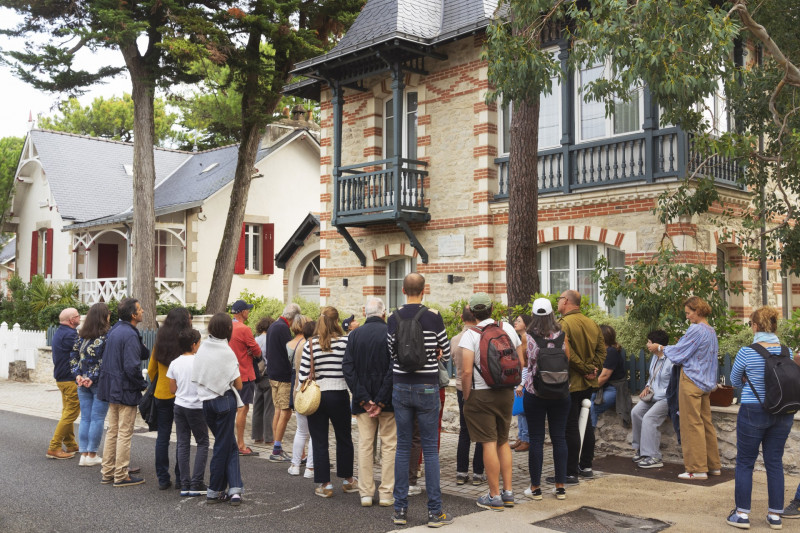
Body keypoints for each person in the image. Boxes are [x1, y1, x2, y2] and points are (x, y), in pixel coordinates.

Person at [388, 272, 454, 527]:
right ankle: (435, 513)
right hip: (427, 387)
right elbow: (446, 353)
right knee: (430, 449)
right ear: (423, 291)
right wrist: (434, 354)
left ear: (403, 291)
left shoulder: (393, 318)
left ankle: (400, 510)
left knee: (403, 447)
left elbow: (390, 352)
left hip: (401, 387)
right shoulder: (433, 317)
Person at [726, 307, 793, 530]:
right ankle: (775, 516)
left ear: (755, 326)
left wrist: (748, 378)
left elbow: (735, 380)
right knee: (774, 463)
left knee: (745, 462)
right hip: (783, 412)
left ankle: (742, 515)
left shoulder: (747, 352)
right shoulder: (787, 351)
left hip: (753, 411)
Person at [459, 292, 523, 511]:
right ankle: (509, 492)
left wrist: (467, 396)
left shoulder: (470, 335)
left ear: (472, 312)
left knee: (488, 442)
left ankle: (494, 496)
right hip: (506, 393)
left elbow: (466, 371)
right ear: (491, 309)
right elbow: (520, 361)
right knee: (503, 441)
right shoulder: (508, 328)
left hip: (481, 394)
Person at [647, 295, 721, 481]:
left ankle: (697, 469)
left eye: (688, 313)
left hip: (692, 381)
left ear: (697, 311)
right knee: (706, 424)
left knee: (691, 425)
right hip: (706, 382)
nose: (687, 317)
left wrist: (660, 347)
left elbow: (679, 354)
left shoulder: (696, 330)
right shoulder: (710, 331)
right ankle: (713, 466)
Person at [299, 306, 358, 498]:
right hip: (339, 393)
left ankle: (325, 484)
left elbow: (302, 376)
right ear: (337, 321)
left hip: (317, 397)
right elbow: (351, 368)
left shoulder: (310, 344)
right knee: (344, 438)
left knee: (319, 440)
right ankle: (348, 480)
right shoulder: (346, 342)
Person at [343, 297, 395, 507]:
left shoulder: (354, 335)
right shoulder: (391, 334)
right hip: (388, 401)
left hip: (363, 401)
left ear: (365, 313)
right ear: (384, 313)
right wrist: (380, 400)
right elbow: (394, 369)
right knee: (389, 445)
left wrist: (364, 399)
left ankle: (365, 492)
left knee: (365, 445)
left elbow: (348, 368)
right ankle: (385, 493)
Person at [553, 290, 605, 484]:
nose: (558, 302)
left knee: (570, 426)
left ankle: (570, 471)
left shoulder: (563, 324)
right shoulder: (591, 322)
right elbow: (602, 349)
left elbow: (567, 352)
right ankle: (586, 465)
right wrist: (594, 368)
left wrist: (584, 369)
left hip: (572, 381)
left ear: (566, 301)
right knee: (586, 424)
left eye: (559, 299)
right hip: (588, 381)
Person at [193, 313, 244, 505]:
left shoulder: (203, 348)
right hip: (224, 401)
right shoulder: (227, 351)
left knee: (228, 444)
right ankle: (214, 490)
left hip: (206, 403)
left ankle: (235, 489)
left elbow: (197, 375)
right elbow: (238, 384)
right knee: (224, 446)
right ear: (228, 330)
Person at [97, 298, 149, 487]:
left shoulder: (115, 330)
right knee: (124, 432)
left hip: (111, 387)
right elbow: (131, 367)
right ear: (133, 315)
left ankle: (108, 471)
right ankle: (121, 474)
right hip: (125, 388)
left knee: (113, 431)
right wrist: (141, 384)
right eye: (140, 309)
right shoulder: (128, 334)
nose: (143, 311)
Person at [523, 298, 571, 501]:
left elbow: (524, 363)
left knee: (536, 439)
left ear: (533, 315)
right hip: (560, 392)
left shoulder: (528, 337)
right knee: (559, 438)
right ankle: (560, 486)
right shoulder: (562, 335)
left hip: (536, 392)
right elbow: (567, 360)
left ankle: (535, 488)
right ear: (552, 313)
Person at [148, 307, 192, 489]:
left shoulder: (160, 341)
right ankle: (181, 477)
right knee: (183, 437)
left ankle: (163, 478)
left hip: (162, 393)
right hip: (183, 394)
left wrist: (159, 383)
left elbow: (151, 370)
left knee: (163, 437)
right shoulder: (187, 342)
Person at [167, 328, 209, 497]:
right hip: (197, 407)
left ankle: (184, 483)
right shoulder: (200, 362)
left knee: (183, 443)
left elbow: (172, 389)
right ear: (193, 345)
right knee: (203, 442)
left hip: (180, 405)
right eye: (199, 342)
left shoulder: (174, 363)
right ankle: (197, 482)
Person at [70, 303, 111, 467]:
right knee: (97, 419)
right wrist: (92, 377)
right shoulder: (107, 336)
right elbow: (105, 361)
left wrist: (78, 375)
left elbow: (73, 357)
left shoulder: (81, 335)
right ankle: (92, 454)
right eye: (108, 314)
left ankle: (84, 454)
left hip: (82, 382)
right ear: (104, 317)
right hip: (98, 383)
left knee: (86, 418)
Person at [452, 306, 485, 486]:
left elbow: (455, 362)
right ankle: (478, 473)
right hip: (479, 388)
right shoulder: (481, 338)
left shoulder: (455, 339)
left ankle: (461, 472)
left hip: (459, 387)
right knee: (481, 431)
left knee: (464, 430)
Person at [631, 330, 673, 469]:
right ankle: (640, 449)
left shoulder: (671, 360)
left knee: (649, 418)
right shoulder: (654, 357)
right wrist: (647, 386)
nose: (647, 344)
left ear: (657, 344)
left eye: (649, 342)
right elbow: (652, 377)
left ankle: (654, 456)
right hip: (653, 395)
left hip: (666, 399)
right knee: (636, 412)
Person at [266, 302, 302, 462]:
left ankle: (277, 445)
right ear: (294, 317)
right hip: (283, 377)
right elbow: (291, 352)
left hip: (273, 374)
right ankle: (276, 449)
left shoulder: (274, 325)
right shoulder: (282, 328)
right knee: (285, 412)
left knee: (279, 411)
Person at [46, 307, 82, 460]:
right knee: (71, 413)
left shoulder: (60, 332)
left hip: (62, 378)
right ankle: (54, 447)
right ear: (71, 320)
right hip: (69, 379)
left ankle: (71, 444)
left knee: (67, 411)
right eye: (77, 316)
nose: (80, 317)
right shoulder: (70, 335)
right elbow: (83, 351)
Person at [229, 299, 262, 457]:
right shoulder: (244, 329)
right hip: (244, 374)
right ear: (242, 312)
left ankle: (230, 442)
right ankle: (240, 444)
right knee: (243, 408)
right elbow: (257, 351)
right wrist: (252, 351)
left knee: (231, 409)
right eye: (247, 310)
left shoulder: (227, 326)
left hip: (228, 374)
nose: (249, 312)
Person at [289, 318, 315, 478]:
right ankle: (310, 468)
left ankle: (295, 465)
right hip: (312, 393)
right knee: (313, 433)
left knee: (300, 431)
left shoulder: (299, 346)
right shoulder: (313, 347)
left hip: (299, 391)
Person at [589, 324, 629, 428]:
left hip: (614, 388)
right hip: (602, 387)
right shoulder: (601, 352)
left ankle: (589, 435)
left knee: (592, 406)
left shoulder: (611, 352)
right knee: (586, 403)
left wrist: (588, 388)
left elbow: (604, 377)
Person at [251, 316, 275, 447]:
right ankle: (269, 437)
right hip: (268, 375)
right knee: (269, 408)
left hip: (256, 376)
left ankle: (256, 436)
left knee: (257, 407)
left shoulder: (256, 340)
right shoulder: (271, 340)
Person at [511, 314, 532, 453]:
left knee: (524, 412)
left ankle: (526, 439)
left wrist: (522, 383)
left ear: (526, 324)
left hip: (524, 381)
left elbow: (526, 365)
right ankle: (521, 437)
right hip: (519, 380)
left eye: (519, 321)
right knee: (519, 410)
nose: (515, 322)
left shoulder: (527, 339)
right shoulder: (519, 339)